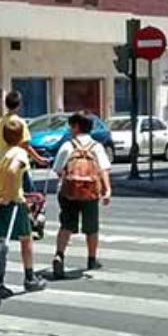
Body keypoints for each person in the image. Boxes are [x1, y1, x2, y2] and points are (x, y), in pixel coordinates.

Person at [0, 117, 48, 292]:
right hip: (14, 201)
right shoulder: (19, 153)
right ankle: (29, 277)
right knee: (26, 239)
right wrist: (8, 194)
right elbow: (13, 170)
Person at [50, 113, 113, 279]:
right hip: (90, 192)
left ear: (76, 126)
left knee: (66, 225)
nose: (69, 129)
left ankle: (59, 255)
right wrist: (107, 190)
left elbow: (58, 170)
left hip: (68, 193)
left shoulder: (67, 146)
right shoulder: (97, 147)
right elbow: (104, 169)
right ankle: (91, 259)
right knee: (91, 227)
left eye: (70, 126)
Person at [0, 90, 48, 194]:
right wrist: (39, 159)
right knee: (29, 196)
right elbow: (25, 145)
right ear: (19, 105)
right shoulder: (20, 122)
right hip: (19, 163)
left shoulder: (0, 121)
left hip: (2, 161)